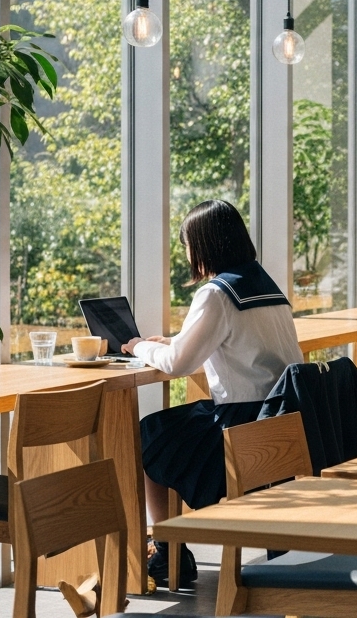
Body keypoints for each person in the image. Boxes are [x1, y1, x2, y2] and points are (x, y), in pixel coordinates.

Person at [122, 199, 301, 589]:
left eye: (188, 244)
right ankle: (168, 546)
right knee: (165, 429)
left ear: (204, 246)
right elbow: (240, 344)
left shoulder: (216, 294)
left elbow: (178, 365)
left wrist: (137, 345)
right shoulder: (265, 286)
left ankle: (167, 549)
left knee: (147, 435)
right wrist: (175, 341)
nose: (187, 253)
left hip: (239, 433)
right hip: (281, 425)